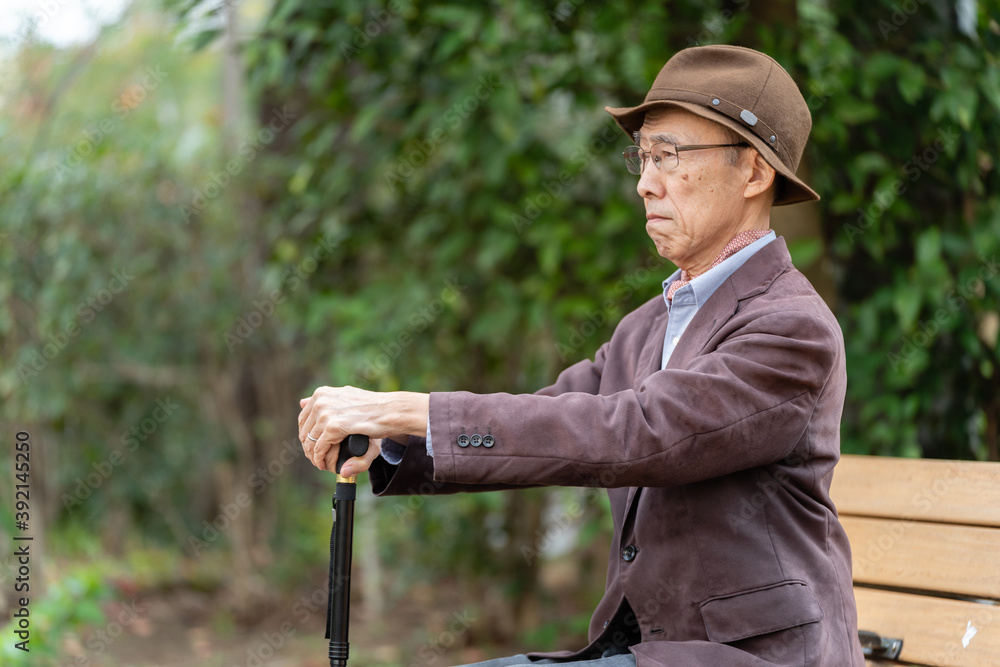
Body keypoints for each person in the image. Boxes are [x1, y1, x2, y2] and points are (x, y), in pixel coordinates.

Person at [298, 44, 864, 666]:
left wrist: (408, 408)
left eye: (670, 156)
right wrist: (400, 444)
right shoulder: (650, 325)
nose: (647, 182)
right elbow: (556, 417)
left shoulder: (790, 328)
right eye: (643, 158)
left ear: (754, 173)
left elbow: (636, 433)